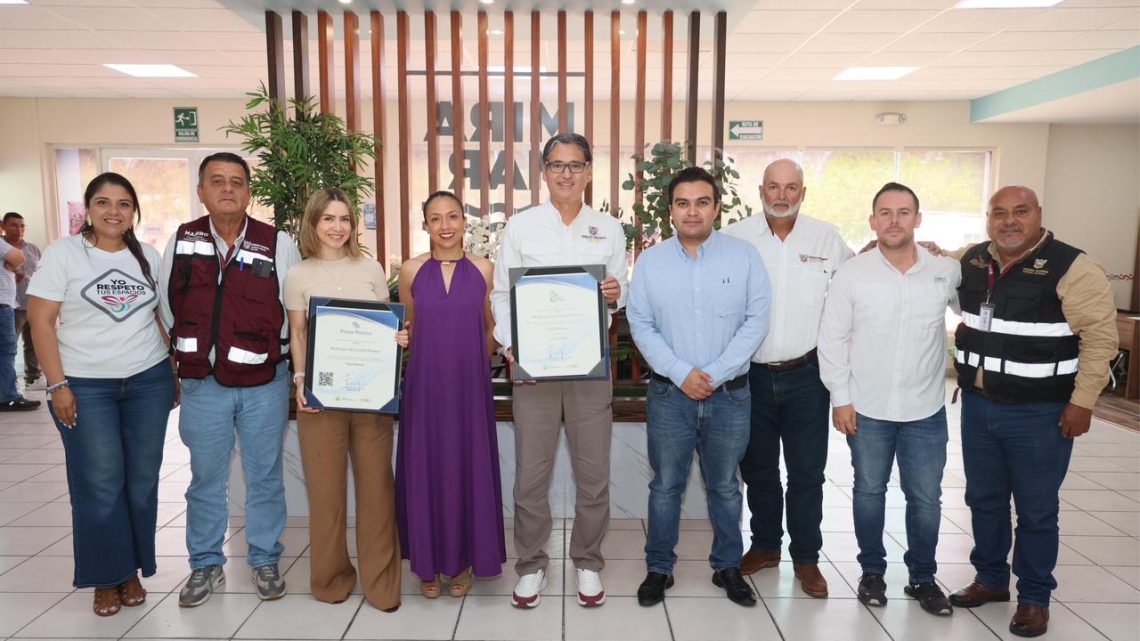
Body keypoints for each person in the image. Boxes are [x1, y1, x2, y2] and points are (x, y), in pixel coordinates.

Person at [948, 186, 1117, 638]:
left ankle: (1035, 598)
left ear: (1038, 215)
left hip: (1041, 414)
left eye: (1020, 212)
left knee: (1037, 510)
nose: (1008, 221)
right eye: (998, 213)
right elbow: (931, 265)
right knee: (983, 501)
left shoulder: (1072, 266)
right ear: (987, 219)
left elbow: (1100, 339)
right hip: (979, 407)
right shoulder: (972, 260)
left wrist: (1082, 403)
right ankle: (990, 579)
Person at [26, 172, 175, 616]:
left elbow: (159, 318)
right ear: (88, 208)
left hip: (148, 381)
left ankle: (130, 569)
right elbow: (40, 322)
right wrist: (57, 385)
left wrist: (173, 371)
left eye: (124, 204)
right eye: (104, 202)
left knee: (143, 481)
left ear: (134, 212)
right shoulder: (64, 254)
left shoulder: (146, 254)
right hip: (86, 386)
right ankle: (104, 577)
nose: (114, 211)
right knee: (100, 482)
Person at [491, 133, 627, 608]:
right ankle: (531, 566)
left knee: (593, 475)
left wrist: (613, 294)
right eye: (557, 165)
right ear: (544, 171)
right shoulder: (521, 228)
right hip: (534, 371)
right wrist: (513, 348)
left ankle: (587, 561)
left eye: (576, 165)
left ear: (589, 171)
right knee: (531, 475)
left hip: (589, 369)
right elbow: (501, 296)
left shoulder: (609, 229)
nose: (566, 174)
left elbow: (618, 294)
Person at [159, 152, 301, 607]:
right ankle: (205, 565)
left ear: (248, 192)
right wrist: (194, 351)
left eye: (236, 182)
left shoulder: (277, 243)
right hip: (204, 384)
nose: (227, 189)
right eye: (216, 181)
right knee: (205, 478)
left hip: (264, 381)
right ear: (200, 190)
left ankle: (263, 558)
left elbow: (292, 311)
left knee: (264, 476)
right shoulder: (182, 241)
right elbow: (166, 306)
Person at [627, 167, 772, 608]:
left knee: (727, 486)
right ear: (670, 210)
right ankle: (659, 568)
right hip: (672, 395)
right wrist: (680, 373)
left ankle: (727, 566)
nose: (693, 211)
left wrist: (713, 373)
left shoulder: (744, 257)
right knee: (666, 485)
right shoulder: (650, 262)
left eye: (702, 202)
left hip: (730, 395)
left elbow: (757, 321)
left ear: (716, 207)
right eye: (683, 203)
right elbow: (641, 323)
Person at [817, 182, 959, 616]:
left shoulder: (944, 272)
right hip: (867, 407)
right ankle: (872, 573)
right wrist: (841, 399)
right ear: (872, 221)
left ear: (918, 219)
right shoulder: (852, 274)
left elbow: (975, 309)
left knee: (926, 498)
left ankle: (922, 577)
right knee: (868, 493)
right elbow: (832, 339)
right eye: (885, 212)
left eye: (903, 212)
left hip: (925, 409)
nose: (894, 220)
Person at [722, 159, 852, 598]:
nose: (782, 195)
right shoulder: (736, 237)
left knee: (807, 473)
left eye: (791, 188)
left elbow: (852, 292)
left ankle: (807, 558)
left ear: (803, 192)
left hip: (806, 376)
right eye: (774, 187)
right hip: (749, 377)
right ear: (761, 190)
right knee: (757, 469)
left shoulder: (826, 237)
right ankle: (764, 547)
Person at [284, 188, 405, 611]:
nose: (337, 228)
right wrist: (300, 380)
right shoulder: (298, 273)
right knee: (326, 496)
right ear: (313, 223)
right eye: (328, 219)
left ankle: (382, 583)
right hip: (321, 398)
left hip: (371, 401)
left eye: (344, 219)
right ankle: (331, 579)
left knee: (377, 493)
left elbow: (386, 325)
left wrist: (399, 337)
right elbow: (298, 333)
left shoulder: (370, 268)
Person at [396, 190, 506, 599]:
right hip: (424, 385)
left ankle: (461, 561)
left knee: (464, 466)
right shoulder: (409, 271)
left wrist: (475, 353)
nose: (445, 226)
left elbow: (492, 328)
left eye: (453, 216)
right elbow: (409, 324)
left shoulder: (485, 268)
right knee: (427, 467)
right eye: (436, 218)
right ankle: (427, 562)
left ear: (465, 222)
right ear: (425, 224)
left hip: (468, 386)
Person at [0, 230, 37, 412]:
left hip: (8, 304)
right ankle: (8, 397)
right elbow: (18, 257)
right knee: (6, 351)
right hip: (1, 305)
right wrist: (14, 265)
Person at [4, 212, 42, 387]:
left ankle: (33, 378)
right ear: (3, 227)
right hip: (10, 306)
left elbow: (43, 273)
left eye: (22, 225)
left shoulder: (33, 248)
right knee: (8, 347)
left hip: (34, 304)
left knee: (34, 343)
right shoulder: (2, 247)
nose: (19, 229)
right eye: (14, 225)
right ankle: (8, 384)